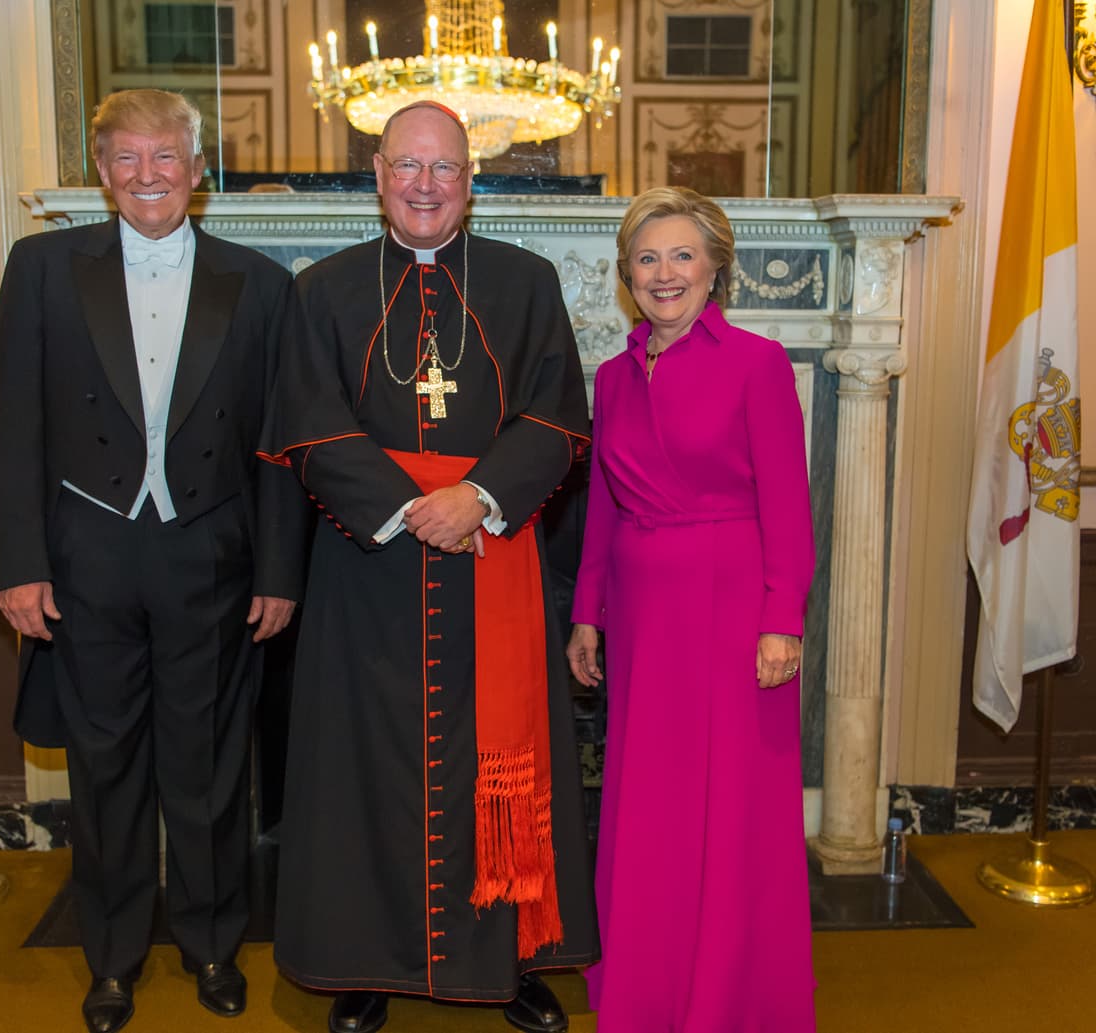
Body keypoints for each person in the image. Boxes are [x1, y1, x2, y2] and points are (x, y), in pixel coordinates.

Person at [262, 100, 599, 1033]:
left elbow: (558, 414)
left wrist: (480, 497)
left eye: (443, 168)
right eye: (406, 166)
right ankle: (364, 963)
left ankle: (513, 956)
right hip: (366, 571)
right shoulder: (321, 290)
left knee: (506, 758)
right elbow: (307, 420)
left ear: (470, 181)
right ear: (376, 175)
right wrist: (409, 507)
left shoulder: (525, 283)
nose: (424, 184)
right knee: (362, 770)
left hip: (491, 554)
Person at [0, 89, 306, 1033]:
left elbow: (280, 446)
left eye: (167, 156)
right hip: (87, 556)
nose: (148, 174)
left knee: (208, 768)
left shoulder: (259, 283)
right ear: (102, 170)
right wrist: (19, 563)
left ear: (198, 171)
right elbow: (13, 433)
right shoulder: (42, 267)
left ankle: (210, 944)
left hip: (212, 552)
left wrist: (280, 572)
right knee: (106, 762)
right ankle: (113, 957)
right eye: (127, 157)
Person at [566, 186, 816, 1032]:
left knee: (731, 802)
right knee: (649, 799)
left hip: (731, 602)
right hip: (641, 608)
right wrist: (587, 611)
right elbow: (602, 501)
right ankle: (645, 980)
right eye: (646, 257)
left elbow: (789, 502)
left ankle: (728, 992)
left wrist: (783, 616)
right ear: (626, 274)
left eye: (681, 255)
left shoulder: (757, 361)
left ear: (716, 267)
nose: (663, 273)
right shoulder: (610, 374)